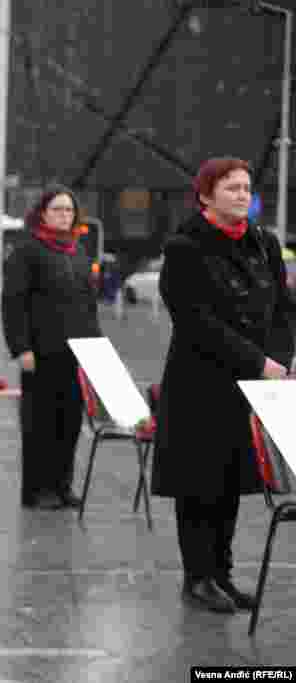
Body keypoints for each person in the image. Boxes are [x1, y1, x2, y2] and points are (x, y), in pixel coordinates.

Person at [153, 157, 295, 613]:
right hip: (200, 382)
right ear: (206, 195)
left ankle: (224, 574)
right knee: (200, 483)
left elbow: (282, 308)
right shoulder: (184, 247)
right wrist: (257, 360)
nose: (242, 195)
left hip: (252, 384)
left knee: (232, 480)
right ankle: (198, 577)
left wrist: (282, 358)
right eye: (232, 187)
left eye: (247, 187)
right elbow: (195, 321)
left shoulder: (264, 242)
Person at [2, 185, 102, 510]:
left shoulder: (78, 252)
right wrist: (20, 348)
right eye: (57, 209)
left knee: (69, 424)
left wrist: (97, 350)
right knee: (40, 424)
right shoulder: (28, 250)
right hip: (41, 354)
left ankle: (62, 486)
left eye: (69, 210)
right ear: (43, 213)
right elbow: (14, 302)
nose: (64, 215)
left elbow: (89, 305)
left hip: (77, 354)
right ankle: (37, 490)